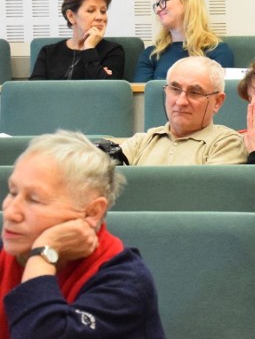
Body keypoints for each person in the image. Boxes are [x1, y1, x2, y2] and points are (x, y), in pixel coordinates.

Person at [0, 131, 166, 338]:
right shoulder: (7, 250)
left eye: (34, 200)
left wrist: (44, 253)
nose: (11, 212)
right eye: (13, 192)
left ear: (92, 212)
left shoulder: (125, 283)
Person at [121, 57, 247, 166]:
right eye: (175, 89)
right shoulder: (139, 142)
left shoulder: (227, 144)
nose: (181, 102)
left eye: (194, 92)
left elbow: (207, 192)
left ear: (217, 101)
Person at [134, 0, 234, 82]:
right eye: (157, 5)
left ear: (187, 2)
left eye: (163, 2)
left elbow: (217, 94)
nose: (158, 9)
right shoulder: (151, 54)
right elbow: (142, 95)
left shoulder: (218, 51)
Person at [30, 0, 125, 80]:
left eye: (103, 11)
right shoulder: (48, 53)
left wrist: (89, 48)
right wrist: (99, 71)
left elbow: (109, 90)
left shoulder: (113, 51)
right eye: (91, 10)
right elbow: (35, 91)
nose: (100, 17)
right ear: (71, 16)